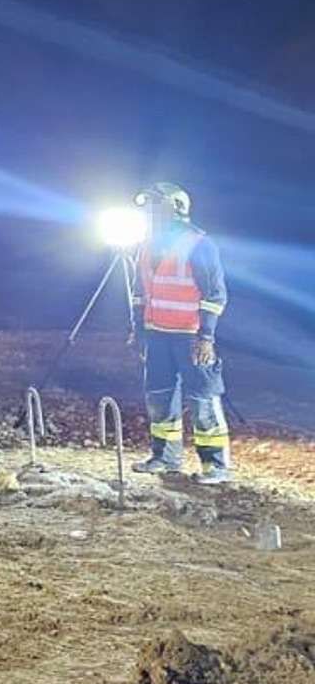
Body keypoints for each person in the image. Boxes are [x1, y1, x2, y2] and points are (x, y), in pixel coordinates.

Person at [130, 181, 231, 483]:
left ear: (175, 208)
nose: (149, 213)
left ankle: (215, 465)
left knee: (203, 400)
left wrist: (207, 337)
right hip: (157, 335)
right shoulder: (146, 245)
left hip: (191, 337)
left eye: (154, 206)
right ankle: (165, 457)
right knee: (159, 399)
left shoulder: (199, 244)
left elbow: (214, 295)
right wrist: (138, 330)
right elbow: (139, 293)